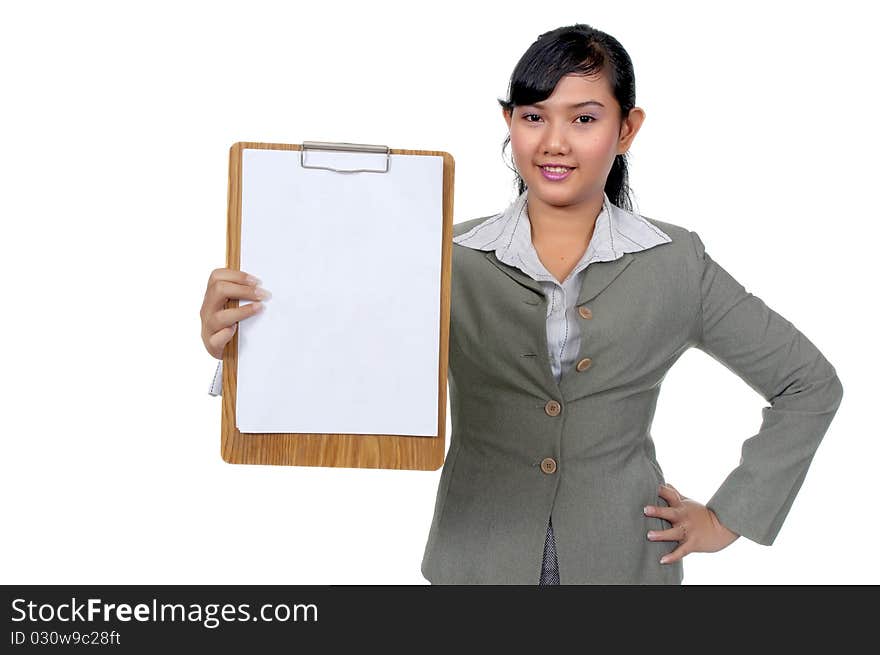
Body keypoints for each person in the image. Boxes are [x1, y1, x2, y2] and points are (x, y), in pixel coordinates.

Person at [200, 23, 844, 584]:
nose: (554, 142)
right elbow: (349, 360)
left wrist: (727, 518)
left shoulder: (677, 261)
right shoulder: (443, 253)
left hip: (626, 565)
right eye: (533, 116)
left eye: (584, 118)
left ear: (627, 129)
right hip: (475, 560)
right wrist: (241, 347)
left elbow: (808, 384)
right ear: (509, 124)